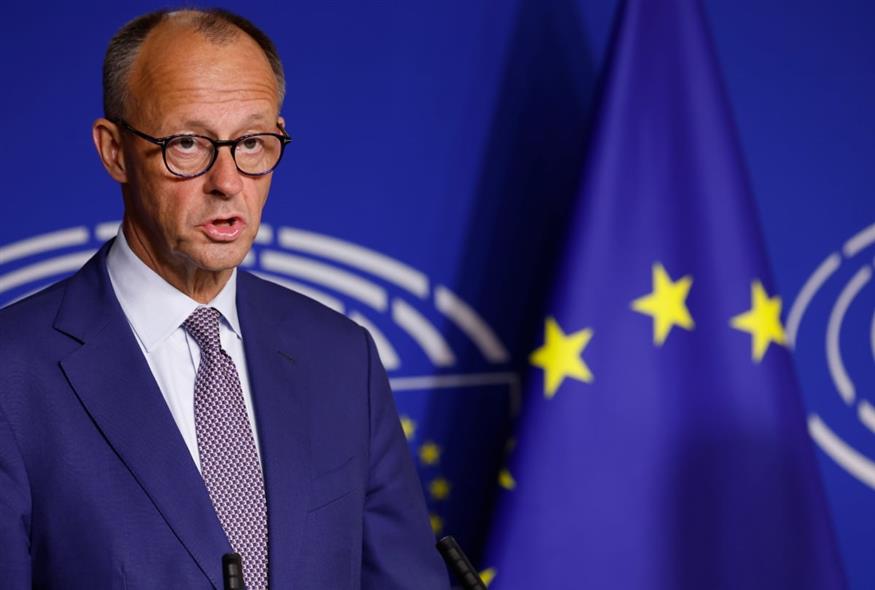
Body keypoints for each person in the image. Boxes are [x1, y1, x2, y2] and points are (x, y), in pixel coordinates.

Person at [0, 8, 449, 589]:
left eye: (252, 143)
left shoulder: (342, 356)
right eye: (188, 144)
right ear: (114, 151)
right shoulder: (13, 374)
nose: (228, 182)